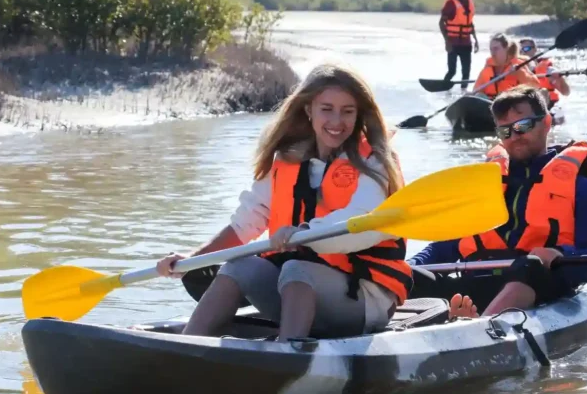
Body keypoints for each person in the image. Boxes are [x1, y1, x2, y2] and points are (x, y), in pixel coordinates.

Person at [156, 63, 413, 341]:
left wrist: (304, 234)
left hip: (363, 299)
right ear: (308, 110)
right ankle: (190, 343)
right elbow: (245, 223)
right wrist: (194, 260)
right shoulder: (287, 161)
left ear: (358, 114)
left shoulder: (373, 163)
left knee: (296, 268)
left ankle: (288, 352)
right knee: (238, 265)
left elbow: (362, 223)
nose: (337, 121)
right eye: (326, 109)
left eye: (347, 111)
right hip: (299, 291)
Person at [407, 85, 587, 318]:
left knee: (529, 266)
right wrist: (410, 265)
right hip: (478, 284)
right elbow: (444, 246)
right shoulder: (484, 183)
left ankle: (479, 326)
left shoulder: (579, 186)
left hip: (537, 284)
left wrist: (560, 255)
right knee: (407, 275)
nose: (515, 136)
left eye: (522, 127)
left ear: (546, 123)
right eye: (505, 131)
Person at [473, 33, 541, 99]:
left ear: (507, 49)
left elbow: (536, 86)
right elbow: (476, 90)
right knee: (476, 97)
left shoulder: (518, 65)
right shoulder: (488, 67)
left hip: (510, 105)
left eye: (496, 49)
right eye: (491, 49)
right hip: (490, 104)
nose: (493, 53)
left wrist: (519, 73)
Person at [440, 0, 480, 91]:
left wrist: (476, 40)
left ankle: (463, 94)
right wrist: (447, 41)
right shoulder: (451, 4)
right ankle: (444, 90)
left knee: (466, 73)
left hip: (466, 43)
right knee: (452, 71)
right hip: (453, 43)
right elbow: (441, 23)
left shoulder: (470, 3)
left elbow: (469, 23)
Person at [518, 37, 570, 110]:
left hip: (547, 107)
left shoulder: (548, 70)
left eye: (526, 49)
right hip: (524, 109)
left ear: (535, 49)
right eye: (519, 50)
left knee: (544, 92)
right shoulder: (513, 71)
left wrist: (560, 79)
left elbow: (566, 92)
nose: (523, 52)